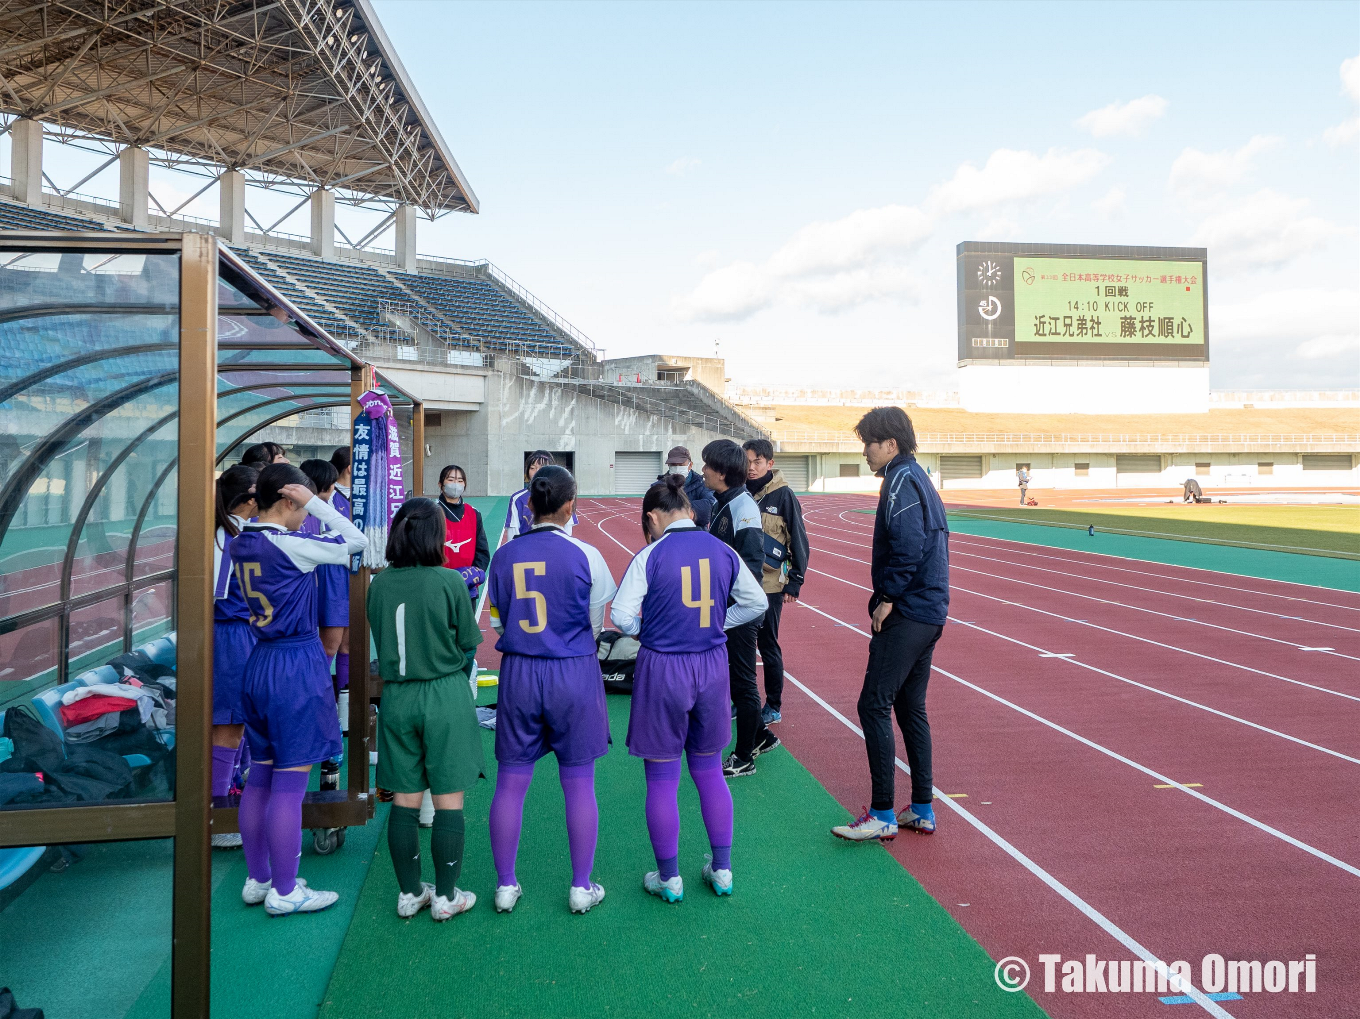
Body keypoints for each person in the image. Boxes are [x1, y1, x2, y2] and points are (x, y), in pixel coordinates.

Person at [610, 475, 768, 902]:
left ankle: (669, 878)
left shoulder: (650, 554)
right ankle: (722, 870)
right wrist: (718, 624)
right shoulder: (723, 550)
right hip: (711, 666)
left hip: (663, 667)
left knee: (662, 779)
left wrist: (651, 630)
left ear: (652, 518)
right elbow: (757, 603)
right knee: (709, 771)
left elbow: (622, 615)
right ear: (691, 512)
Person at [230, 464, 368, 914]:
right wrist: (318, 503)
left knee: (261, 778)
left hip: (260, 660)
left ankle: (259, 877)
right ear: (289, 500)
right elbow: (357, 542)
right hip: (294, 664)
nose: (305, 515)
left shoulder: (241, 540)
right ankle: (286, 891)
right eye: (301, 506)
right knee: (289, 783)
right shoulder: (290, 544)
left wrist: (306, 502)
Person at [485, 465, 617, 914]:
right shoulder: (587, 553)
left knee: (510, 780)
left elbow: (499, 621)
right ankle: (580, 886)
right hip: (573, 670)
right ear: (570, 505)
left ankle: (505, 885)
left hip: (520, 670)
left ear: (529, 506)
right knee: (578, 781)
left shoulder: (503, 556)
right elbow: (597, 620)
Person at [831, 407, 949, 843]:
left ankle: (881, 811)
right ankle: (920, 807)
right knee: (909, 707)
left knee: (873, 704)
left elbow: (908, 545)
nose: (865, 452)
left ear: (891, 444)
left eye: (870, 443)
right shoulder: (917, 477)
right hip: (930, 609)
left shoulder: (900, 481)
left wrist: (886, 599)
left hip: (909, 611)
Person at [367, 498, 484, 921]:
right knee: (449, 801)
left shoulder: (379, 583)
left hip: (397, 697)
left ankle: (410, 893)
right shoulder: (449, 581)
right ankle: (446, 896)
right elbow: (469, 644)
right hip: (444, 693)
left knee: (403, 800)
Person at [701, 439, 779, 778]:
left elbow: (749, 563)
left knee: (744, 684)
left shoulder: (742, 507)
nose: (701, 470)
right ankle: (762, 736)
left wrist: (729, 608)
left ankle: (744, 756)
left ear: (720, 472)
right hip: (731, 608)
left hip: (740, 612)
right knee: (735, 680)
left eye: (706, 465)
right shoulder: (725, 500)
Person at [742, 439, 810, 726]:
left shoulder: (784, 496)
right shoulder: (739, 494)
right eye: (747, 462)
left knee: (767, 645)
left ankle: (773, 704)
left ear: (770, 464)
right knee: (740, 647)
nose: (751, 468)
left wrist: (795, 582)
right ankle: (743, 700)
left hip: (770, 587)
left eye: (757, 462)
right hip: (740, 585)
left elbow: (799, 540)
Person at [211, 464, 259, 848]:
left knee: (238, 721)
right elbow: (213, 596)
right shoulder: (224, 537)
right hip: (229, 636)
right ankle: (217, 810)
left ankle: (228, 791)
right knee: (228, 722)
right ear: (247, 499)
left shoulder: (234, 532)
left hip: (239, 633)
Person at [437, 464, 490, 600]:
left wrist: (472, 576)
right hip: (438, 587)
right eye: (451, 479)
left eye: (460, 481)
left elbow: (482, 552)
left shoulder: (474, 514)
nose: (456, 484)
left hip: (467, 587)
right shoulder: (431, 513)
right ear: (440, 484)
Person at [327, 447, 353, 700]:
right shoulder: (330, 499)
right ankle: (320, 702)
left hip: (354, 579)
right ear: (349, 467)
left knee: (349, 645)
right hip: (333, 579)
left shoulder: (361, 496)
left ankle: (346, 703)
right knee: (330, 645)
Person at [502, 450, 558, 543]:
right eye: (532, 468)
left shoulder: (562, 495)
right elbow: (513, 532)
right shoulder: (518, 498)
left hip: (554, 550)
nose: (537, 472)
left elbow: (567, 530)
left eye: (542, 468)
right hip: (527, 551)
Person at [657, 445, 716, 530]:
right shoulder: (659, 486)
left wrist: (674, 509)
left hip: (695, 535)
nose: (677, 468)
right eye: (673, 465)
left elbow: (708, 508)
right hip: (667, 535)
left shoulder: (702, 484)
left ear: (690, 465)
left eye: (681, 465)